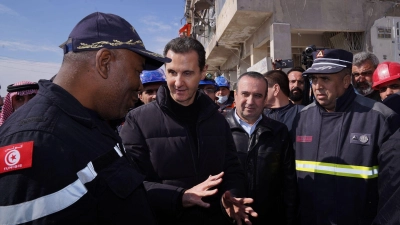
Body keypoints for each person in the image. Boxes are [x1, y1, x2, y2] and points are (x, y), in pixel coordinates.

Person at [0, 12, 172, 224]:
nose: (139, 85)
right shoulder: (38, 141)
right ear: (105, 62)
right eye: (137, 71)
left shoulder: (90, 122)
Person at [120, 37, 256, 225]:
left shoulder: (217, 119)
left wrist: (230, 197)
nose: (178, 82)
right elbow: (130, 183)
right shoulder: (137, 121)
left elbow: (232, 169)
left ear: (203, 72)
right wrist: (179, 197)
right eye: (172, 72)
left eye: (187, 73)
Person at [294, 49, 400, 225]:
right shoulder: (302, 118)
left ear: (345, 81)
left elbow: (393, 189)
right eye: (314, 79)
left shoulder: (380, 117)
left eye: (325, 79)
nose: (317, 85)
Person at [226, 71, 297, 225]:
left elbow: (289, 183)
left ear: (265, 99)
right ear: (235, 95)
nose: (250, 101)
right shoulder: (218, 129)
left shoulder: (279, 131)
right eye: (245, 94)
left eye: (257, 95)